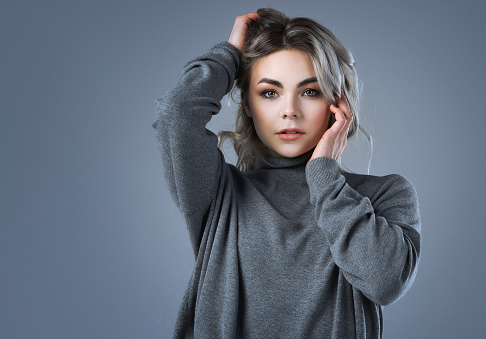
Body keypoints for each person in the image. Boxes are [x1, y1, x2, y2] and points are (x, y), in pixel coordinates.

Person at [153, 8, 421, 338]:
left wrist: (324, 175)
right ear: (248, 105)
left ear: (337, 105)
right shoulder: (219, 192)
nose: (290, 110)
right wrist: (231, 53)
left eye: (310, 91)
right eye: (269, 92)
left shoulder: (383, 195)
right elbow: (176, 115)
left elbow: (386, 282)